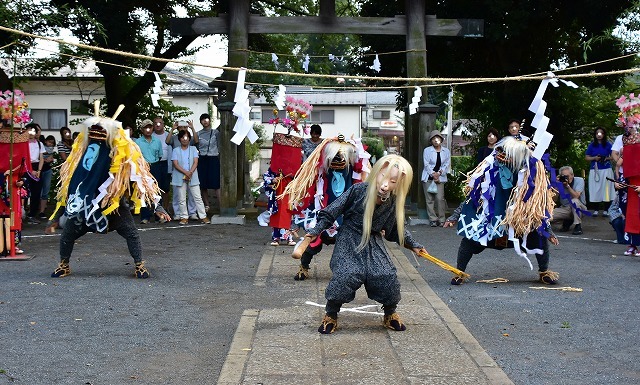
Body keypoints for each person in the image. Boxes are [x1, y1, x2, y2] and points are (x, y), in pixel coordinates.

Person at [301, 154, 427, 334]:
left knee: (386, 274)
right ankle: (331, 314)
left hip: (373, 240)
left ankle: (390, 313)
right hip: (349, 237)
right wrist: (316, 230)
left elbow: (396, 228)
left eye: (393, 181)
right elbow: (332, 211)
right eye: (383, 177)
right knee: (347, 273)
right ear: (377, 172)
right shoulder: (358, 190)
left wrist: (413, 244)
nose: (385, 184)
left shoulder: (392, 201)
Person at [50, 103, 170, 279]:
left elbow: (141, 182)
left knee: (131, 233)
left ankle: (139, 264)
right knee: (68, 233)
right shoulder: (83, 157)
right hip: (85, 206)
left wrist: (157, 207)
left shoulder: (122, 158)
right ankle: (64, 264)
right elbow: (71, 186)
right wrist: (57, 214)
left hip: (114, 207)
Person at [443, 136, 560, 285]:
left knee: (539, 236)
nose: (502, 155)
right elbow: (472, 197)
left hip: (518, 223)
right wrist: (454, 216)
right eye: (501, 151)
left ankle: (544, 272)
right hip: (492, 220)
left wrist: (548, 230)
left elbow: (537, 208)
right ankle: (459, 272)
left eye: (508, 153)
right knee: (469, 240)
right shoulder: (489, 171)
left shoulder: (528, 177)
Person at [281, 135, 370, 280]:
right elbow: (310, 189)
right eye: (334, 156)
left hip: (345, 215)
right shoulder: (321, 172)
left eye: (342, 156)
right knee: (312, 243)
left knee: (352, 246)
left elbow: (361, 168)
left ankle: (354, 271)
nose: (338, 160)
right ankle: (303, 267)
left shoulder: (353, 172)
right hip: (324, 213)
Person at [171, 129, 209, 225]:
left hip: (193, 175)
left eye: (187, 137)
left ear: (189, 139)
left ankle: (203, 216)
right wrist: (186, 172)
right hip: (180, 176)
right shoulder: (175, 150)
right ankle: (184, 217)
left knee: (197, 197)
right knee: (181, 198)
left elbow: (196, 162)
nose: (185, 139)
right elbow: (175, 164)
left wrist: (190, 172)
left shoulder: (193, 149)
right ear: (179, 139)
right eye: (183, 137)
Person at [166, 120, 199, 220]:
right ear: (178, 128)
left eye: (185, 127)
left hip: (190, 169)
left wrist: (192, 128)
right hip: (178, 168)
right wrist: (172, 129)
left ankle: (192, 212)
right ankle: (178, 213)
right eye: (181, 127)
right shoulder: (175, 138)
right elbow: (167, 141)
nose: (183, 129)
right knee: (177, 193)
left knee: (192, 192)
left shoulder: (189, 137)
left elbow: (196, 141)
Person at [134, 119, 164, 224]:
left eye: (150, 127)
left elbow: (160, 155)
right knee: (143, 192)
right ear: (142, 129)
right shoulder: (138, 142)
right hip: (143, 168)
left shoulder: (157, 141)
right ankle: (145, 216)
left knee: (157, 191)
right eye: (146, 128)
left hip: (155, 166)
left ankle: (159, 215)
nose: (148, 130)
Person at [421, 130, 450, 227]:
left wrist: (439, 173)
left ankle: (442, 219)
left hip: (440, 178)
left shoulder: (446, 151)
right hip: (428, 177)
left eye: (438, 138)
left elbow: (447, 164)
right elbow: (426, 164)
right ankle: (433, 219)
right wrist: (433, 174)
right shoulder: (427, 150)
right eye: (433, 138)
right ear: (431, 140)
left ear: (441, 140)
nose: (436, 140)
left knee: (440, 199)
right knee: (429, 199)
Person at [585, 127, 615, 216]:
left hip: (606, 169)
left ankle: (606, 210)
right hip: (595, 169)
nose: (599, 135)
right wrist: (594, 158)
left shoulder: (608, 145)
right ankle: (596, 210)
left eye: (601, 133)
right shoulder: (592, 145)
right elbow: (587, 157)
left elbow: (613, 156)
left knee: (607, 189)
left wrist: (606, 158)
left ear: (604, 134)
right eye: (597, 133)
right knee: (595, 189)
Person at [196, 113, 221, 213]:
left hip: (213, 158)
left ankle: (221, 205)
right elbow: (195, 145)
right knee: (203, 184)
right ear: (201, 122)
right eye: (203, 119)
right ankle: (207, 205)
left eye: (207, 119)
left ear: (210, 120)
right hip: (202, 159)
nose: (205, 121)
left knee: (216, 184)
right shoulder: (198, 134)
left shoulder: (216, 132)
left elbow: (220, 145)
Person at [553, 166, 587, 235]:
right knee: (546, 216)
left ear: (572, 175)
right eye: (563, 176)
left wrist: (567, 186)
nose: (565, 178)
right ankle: (567, 221)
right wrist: (556, 186)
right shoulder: (560, 183)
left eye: (567, 176)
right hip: (565, 208)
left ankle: (578, 225)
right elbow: (554, 200)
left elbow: (576, 196)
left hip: (580, 207)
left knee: (574, 201)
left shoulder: (579, 180)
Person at [151, 116, 171, 212]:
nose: (157, 125)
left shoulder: (168, 135)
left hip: (166, 163)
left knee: (166, 187)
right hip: (154, 164)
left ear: (163, 125)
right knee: (155, 187)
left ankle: (166, 208)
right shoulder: (151, 136)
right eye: (155, 123)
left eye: (160, 123)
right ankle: (157, 209)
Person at [25, 123, 44, 224]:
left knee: (36, 193)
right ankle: (22, 213)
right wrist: (30, 170)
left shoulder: (39, 144)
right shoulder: (23, 143)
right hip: (26, 168)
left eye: (33, 131)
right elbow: (24, 158)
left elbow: (41, 159)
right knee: (24, 192)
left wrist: (39, 171)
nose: (31, 133)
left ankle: (32, 214)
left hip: (37, 168)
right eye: (29, 130)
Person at [38, 135, 56, 219]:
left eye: (52, 143)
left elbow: (51, 156)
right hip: (39, 169)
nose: (50, 144)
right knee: (39, 191)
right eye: (49, 142)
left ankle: (42, 211)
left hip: (48, 169)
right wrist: (45, 160)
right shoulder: (41, 146)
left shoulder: (51, 149)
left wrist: (50, 159)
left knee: (46, 190)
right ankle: (37, 209)